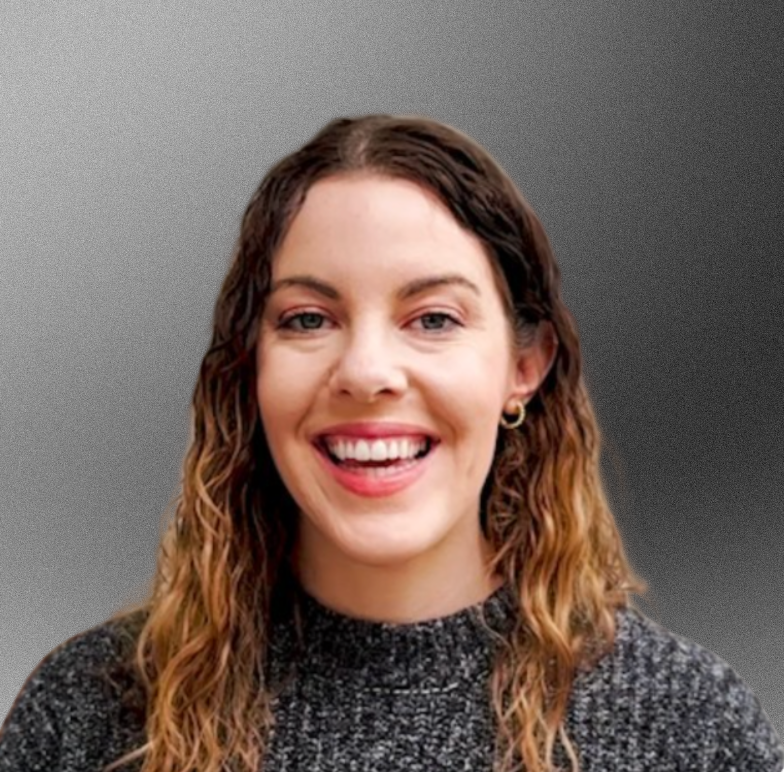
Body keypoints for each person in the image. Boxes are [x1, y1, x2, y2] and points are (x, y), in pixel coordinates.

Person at [0, 113, 781, 772]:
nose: (367, 371)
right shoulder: (91, 714)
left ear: (524, 366)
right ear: (248, 368)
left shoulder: (685, 728)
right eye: (308, 319)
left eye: (433, 318)